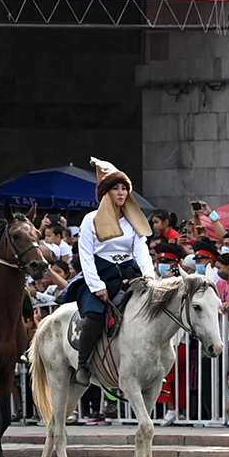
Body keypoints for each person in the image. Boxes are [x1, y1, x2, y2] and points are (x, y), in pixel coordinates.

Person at [63, 160, 157, 379]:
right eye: (115, 188)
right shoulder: (90, 220)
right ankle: (83, 364)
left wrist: (149, 275)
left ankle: (153, 366)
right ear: (106, 192)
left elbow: (141, 249)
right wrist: (97, 287)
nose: (121, 192)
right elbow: (85, 255)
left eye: (124, 188)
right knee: (95, 315)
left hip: (127, 273)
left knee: (151, 308)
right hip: (99, 275)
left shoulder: (133, 221)